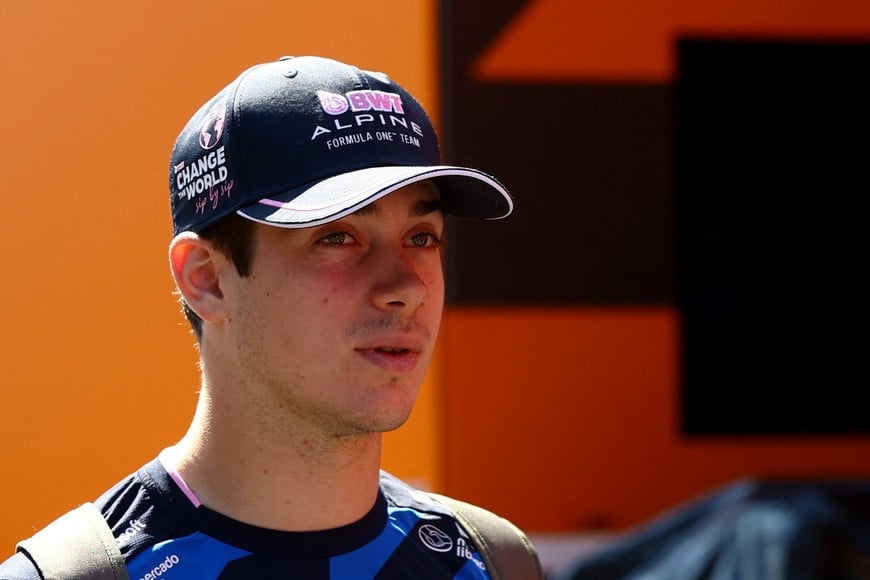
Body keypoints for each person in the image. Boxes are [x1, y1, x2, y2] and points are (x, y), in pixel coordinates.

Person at [0, 55, 541, 579]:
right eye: (338, 237)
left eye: (421, 237)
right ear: (207, 279)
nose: (405, 288)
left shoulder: (495, 561)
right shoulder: (77, 574)